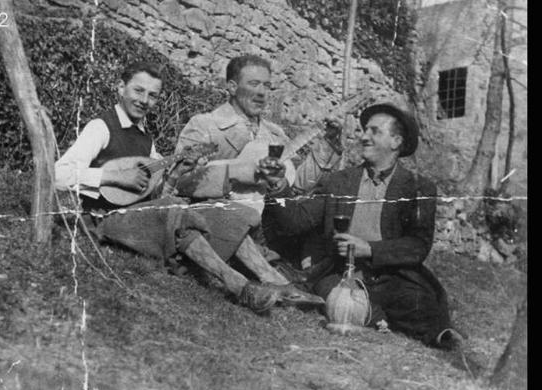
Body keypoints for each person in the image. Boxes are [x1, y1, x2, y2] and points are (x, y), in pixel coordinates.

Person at [54, 61, 323, 313]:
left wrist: (177, 172)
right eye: (138, 90)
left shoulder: (145, 138)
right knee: (178, 211)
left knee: (225, 212)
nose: (143, 100)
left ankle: (275, 282)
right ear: (120, 88)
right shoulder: (101, 127)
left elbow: (159, 192)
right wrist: (111, 178)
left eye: (152, 95)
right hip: (104, 218)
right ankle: (239, 285)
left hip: (140, 215)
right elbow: (57, 174)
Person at [263, 103, 463, 349]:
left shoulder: (418, 188)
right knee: (337, 299)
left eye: (374, 131)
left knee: (418, 302)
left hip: (392, 275)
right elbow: (295, 221)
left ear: (396, 141)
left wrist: (369, 248)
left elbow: (417, 246)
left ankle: (425, 329)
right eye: (364, 130)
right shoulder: (338, 182)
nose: (364, 136)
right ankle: (376, 317)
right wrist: (277, 186)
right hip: (338, 272)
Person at [173, 54, 344, 212]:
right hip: (215, 224)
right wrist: (245, 172)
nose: (262, 93)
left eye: (267, 86)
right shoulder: (205, 125)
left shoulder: (276, 135)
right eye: (254, 84)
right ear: (232, 87)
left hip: (266, 228)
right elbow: (181, 182)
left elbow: (298, 186)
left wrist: (328, 143)